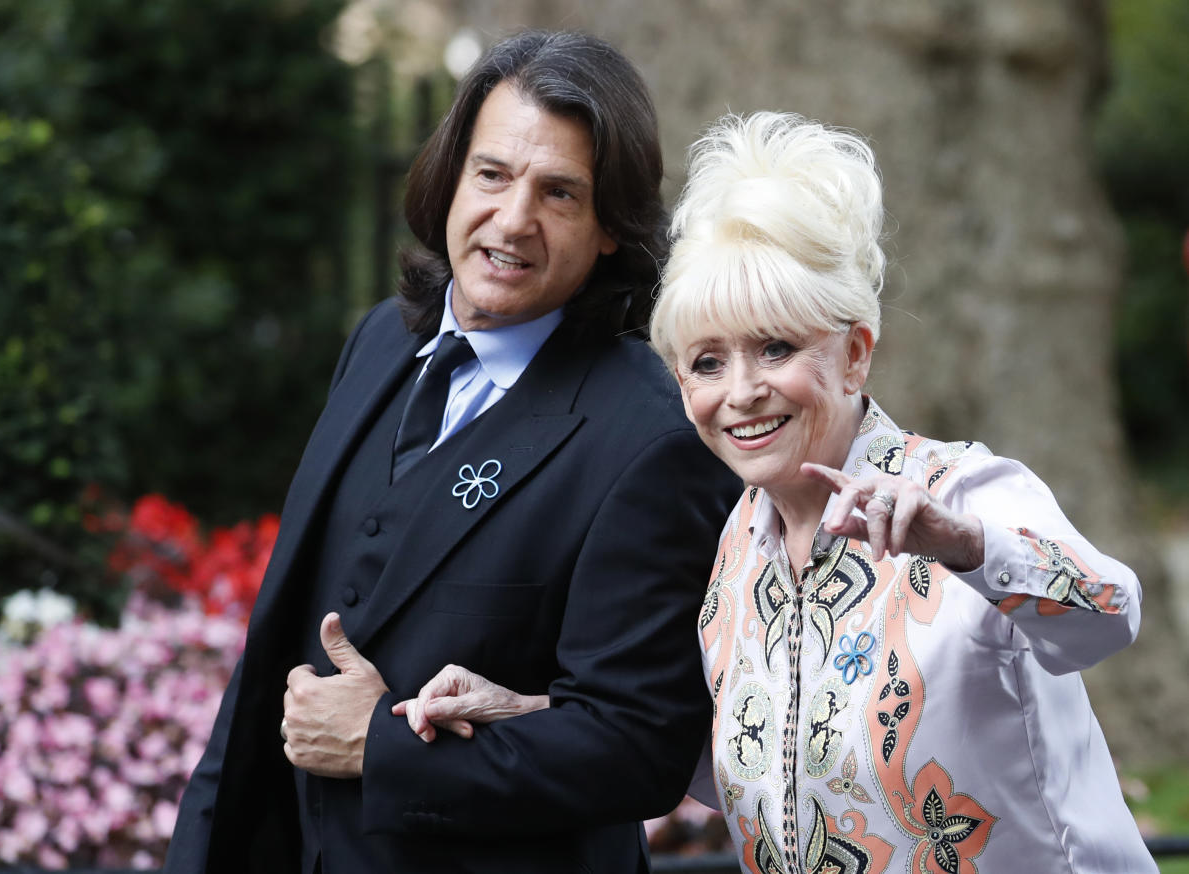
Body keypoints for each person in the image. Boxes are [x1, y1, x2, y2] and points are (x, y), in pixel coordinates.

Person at [406, 111, 1157, 874]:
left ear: (855, 353)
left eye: (776, 347)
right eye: (706, 363)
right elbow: (752, 761)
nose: (742, 392)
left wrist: (962, 546)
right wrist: (523, 713)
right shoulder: (734, 551)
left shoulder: (961, 493)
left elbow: (1108, 615)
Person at [163, 30, 739, 874]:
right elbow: (273, 653)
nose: (513, 220)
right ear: (450, 178)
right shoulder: (378, 342)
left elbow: (638, 748)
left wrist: (380, 747)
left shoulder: (651, 438)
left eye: (560, 194)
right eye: (493, 175)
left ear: (611, 227)